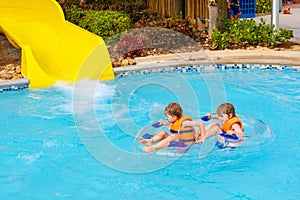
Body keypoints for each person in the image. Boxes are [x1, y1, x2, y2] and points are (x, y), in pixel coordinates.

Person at [140, 102, 205, 153]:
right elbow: (174, 129)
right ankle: (150, 141)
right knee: (163, 132)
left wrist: (203, 137)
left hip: (184, 145)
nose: (166, 118)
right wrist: (165, 123)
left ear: (174, 117)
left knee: (173, 136)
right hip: (179, 142)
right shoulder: (177, 121)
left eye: (168, 117)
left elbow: (200, 123)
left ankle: (153, 148)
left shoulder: (184, 122)